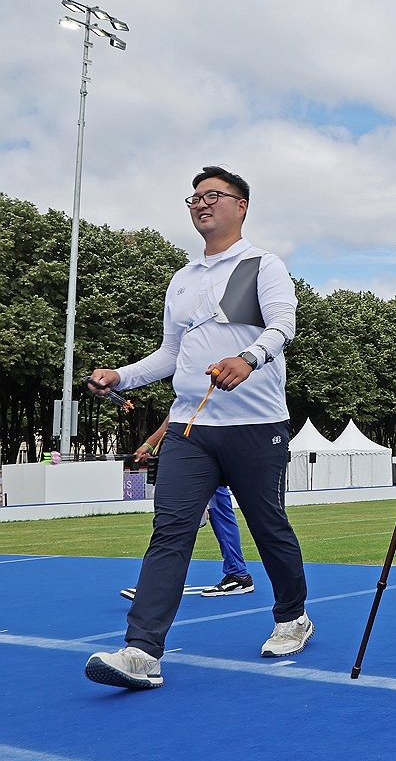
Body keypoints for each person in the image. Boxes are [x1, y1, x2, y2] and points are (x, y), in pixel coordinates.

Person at [84, 166, 312, 690]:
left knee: (268, 526)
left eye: (214, 195)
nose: (202, 204)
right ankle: (141, 652)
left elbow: (283, 326)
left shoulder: (262, 265)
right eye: (194, 198)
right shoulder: (183, 279)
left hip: (256, 425)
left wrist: (249, 358)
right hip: (189, 428)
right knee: (170, 532)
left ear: (241, 206)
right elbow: (170, 353)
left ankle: (292, 616)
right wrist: (122, 376)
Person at [119, 418, 254, 600]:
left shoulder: (209, 393)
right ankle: (238, 574)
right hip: (204, 456)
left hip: (202, 456)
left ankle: (154, 585)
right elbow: (172, 418)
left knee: (175, 520)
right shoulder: (192, 394)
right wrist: (149, 445)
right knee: (220, 514)